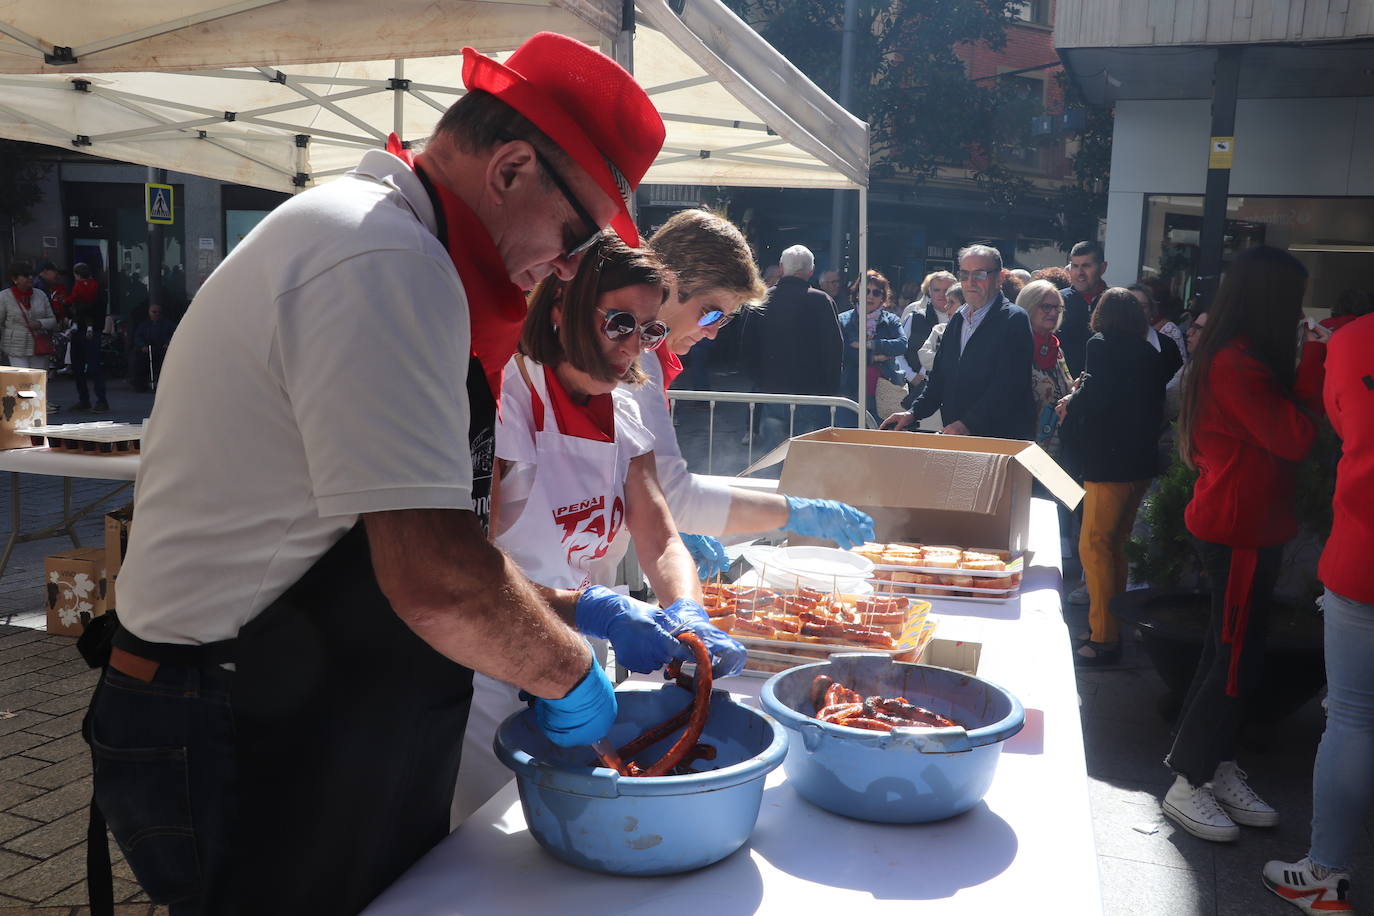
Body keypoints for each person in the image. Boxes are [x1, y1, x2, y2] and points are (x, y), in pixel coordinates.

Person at [84, 33, 703, 914]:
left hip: (287, 694)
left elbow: (412, 538)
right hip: (224, 715)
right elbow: (436, 578)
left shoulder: (393, 245)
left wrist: (578, 607)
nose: (570, 267)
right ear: (512, 167)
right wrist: (570, 667)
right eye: (576, 234)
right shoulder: (385, 259)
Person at [454, 234, 743, 823]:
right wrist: (594, 611)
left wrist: (689, 611)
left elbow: (658, 535)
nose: (634, 346)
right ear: (560, 312)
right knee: (483, 833)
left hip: (575, 664)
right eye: (618, 323)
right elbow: (466, 570)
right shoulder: (507, 398)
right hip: (484, 667)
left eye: (649, 330)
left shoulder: (626, 409)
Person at [585, 209, 875, 583]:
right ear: (670, 284)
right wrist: (793, 511)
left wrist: (671, 518)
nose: (712, 333)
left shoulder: (646, 357)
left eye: (722, 320)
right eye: (709, 314)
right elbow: (675, 495)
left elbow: (645, 481)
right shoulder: (637, 358)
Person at [1160, 245, 1329, 844]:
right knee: (1233, 662)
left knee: (1226, 655)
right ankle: (1188, 781)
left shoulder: (1234, 357)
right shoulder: (1237, 363)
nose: (1301, 313)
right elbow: (1296, 437)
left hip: (1246, 526)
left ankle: (1212, 765)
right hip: (1240, 531)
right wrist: (1313, 360)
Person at [1262, 312, 1374, 915]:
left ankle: (1326, 876)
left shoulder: (1356, 341)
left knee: (1354, 717)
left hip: (1365, 554)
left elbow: (1336, 423)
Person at [1056, 288, 1182, 664]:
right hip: (1139, 463)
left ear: (1101, 314)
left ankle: (1103, 638)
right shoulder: (1151, 353)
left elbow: (1098, 397)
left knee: (1094, 548)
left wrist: (1072, 400)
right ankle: (1110, 626)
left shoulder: (1101, 344)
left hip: (1107, 463)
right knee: (1117, 548)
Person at [882, 244, 1035, 440]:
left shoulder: (1014, 320)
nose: (970, 282)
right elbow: (938, 379)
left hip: (998, 440)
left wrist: (966, 424)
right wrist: (912, 413)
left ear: (999, 279)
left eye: (979, 275)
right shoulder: (957, 319)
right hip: (959, 438)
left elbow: (1008, 386)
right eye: (964, 275)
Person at [752, 243, 843, 448]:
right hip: (811, 392)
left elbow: (747, 343)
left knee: (773, 454)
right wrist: (830, 387)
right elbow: (834, 349)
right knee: (805, 455)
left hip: (772, 387)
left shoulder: (763, 300)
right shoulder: (823, 301)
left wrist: (758, 379)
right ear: (811, 271)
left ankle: (774, 481)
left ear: (782, 269)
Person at [837, 270, 906, 423]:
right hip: (850, 392)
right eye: (866, 291)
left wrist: (869, 344)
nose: (870, 296)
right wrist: (874, 357)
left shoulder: (892, 320)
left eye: (876, 292)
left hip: (884, 391)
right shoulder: (843, 320)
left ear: (883, 297)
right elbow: (844, 352)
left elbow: (901, 345)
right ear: (856, 293)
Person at [1019, 280, 1073, 463]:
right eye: (1046, 307)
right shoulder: (1017, 347)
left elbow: (1064, 386)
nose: (1053, 313)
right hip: (1025, 449)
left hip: (1057, 451)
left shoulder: (1056, 349)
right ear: (1028, 307)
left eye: (1057, 308)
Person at [1059, 240, 1108, 377]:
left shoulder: (1115, 303)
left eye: (1086, 266)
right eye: (1075, 266)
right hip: (1065, 385)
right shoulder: (1057, 301)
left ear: (1103, 268)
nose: (1079, 273)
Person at [0, 260, 58, 373]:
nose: (31, 278)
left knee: (37, 383)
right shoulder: (4, 297)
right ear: (15, 279)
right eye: (26, 275)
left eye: (32, 275)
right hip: (16, 348)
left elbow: (53, 321)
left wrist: (40, 323)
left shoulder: (40, 295)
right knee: (22, 382)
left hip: (39, 346)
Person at [67, 262, 109, 413]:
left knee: (89, 366)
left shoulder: (93, 288)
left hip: (87, 329)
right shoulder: (97, 288)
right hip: (90, 329)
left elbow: (88, 307)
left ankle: (96, 400)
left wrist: (75, 307)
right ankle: (90, 400)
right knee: (85, 366)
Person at [1131, 282, 1185, 361]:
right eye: (1131, 305)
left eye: (1142, 306)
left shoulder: (1167, 345)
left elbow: (1180, 372)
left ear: (1151, 310)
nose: (1136, 311)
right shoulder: (1111, 341)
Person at [130, 302, 175, 392]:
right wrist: (142, 346)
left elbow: (173, 334)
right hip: (147, 349)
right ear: (149, 312)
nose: (156, 314)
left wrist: (168, 343)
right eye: (154, 312)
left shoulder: (167, 324)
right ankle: (140, 385)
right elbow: (138, 337)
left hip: (162, 348)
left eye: (159, 312)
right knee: (139, 361)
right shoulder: (144, 325)